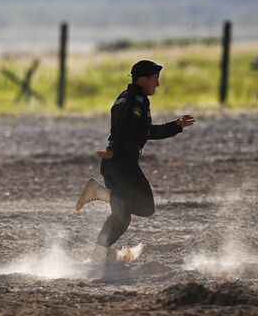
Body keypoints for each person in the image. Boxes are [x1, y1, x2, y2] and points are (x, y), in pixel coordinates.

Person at [75, 59, 195, 266]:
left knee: (121, 216)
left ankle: (97, 256)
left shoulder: (126, 97)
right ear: (143, 79)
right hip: (122, 164)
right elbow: (126, 129)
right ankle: (100, 192)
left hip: (115, 163)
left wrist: (175, 126)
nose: (157, 84)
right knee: (146, 206)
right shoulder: (136, 100)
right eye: (155, 79)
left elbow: (144, 131)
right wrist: (115, 151)